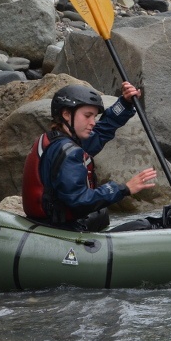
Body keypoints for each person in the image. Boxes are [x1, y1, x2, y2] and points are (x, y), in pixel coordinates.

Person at [22, 83, 158, 231]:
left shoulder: (55, 139)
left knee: (101, 214)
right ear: (66, 114)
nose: (93, 122)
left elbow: (103, 129)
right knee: (143, 226)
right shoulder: (69, 153)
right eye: (87, 116)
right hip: (59, 228)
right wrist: (124, 189)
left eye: (94, 116)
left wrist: (125, 104)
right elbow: (79, 200)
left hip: (49, 218)